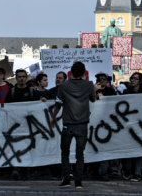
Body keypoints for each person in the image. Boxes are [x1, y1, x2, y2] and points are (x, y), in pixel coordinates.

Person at [50, 61, 96, 189]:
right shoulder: (88, 84)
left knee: (65, 153)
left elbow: (58, 104)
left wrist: (53, 117)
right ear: (83, 72)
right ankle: (78, 182)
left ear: (71, 72)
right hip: (82, 124)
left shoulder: (64, 86)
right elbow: (93, 99)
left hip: (68, 124)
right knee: (80, 154)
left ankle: (66, 179)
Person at [122, 72, 142, 181]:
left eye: (135, 79)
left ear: (140, 81)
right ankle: (128, 171)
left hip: (141, 125)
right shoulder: (126, 92)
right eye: (132, 78)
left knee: (139, 150)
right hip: (128, 125)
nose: (132, 80)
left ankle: (137, 172)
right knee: (128, 150)